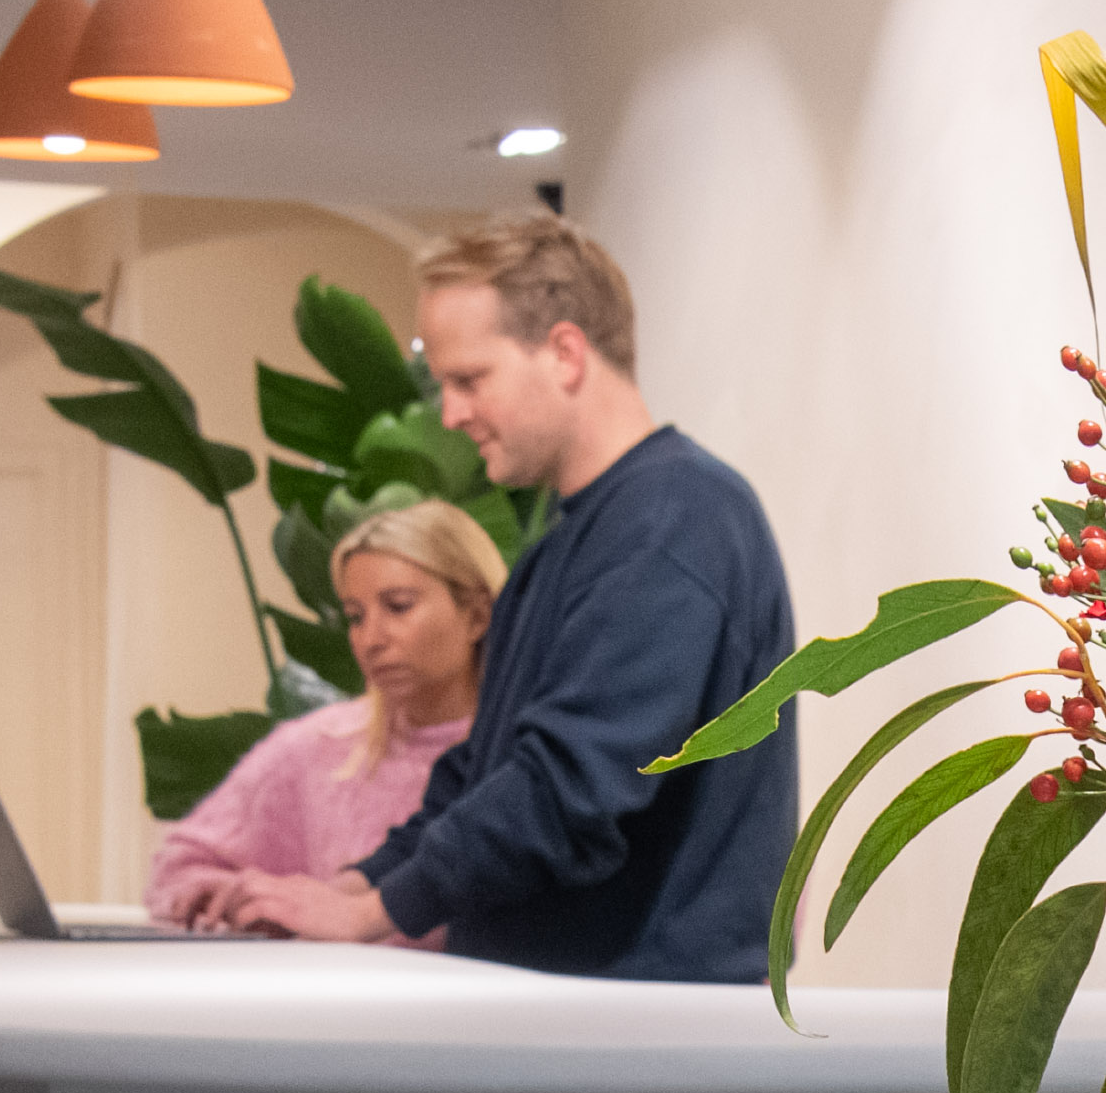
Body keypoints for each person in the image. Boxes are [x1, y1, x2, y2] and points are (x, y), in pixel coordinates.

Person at [166, 217, 794, 979]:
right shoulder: (565, 547)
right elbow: (482, 778)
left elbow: (571, 794)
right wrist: (353, 886)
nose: (451, 414)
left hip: (636, 1017)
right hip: (561, 1009)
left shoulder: (676, 519)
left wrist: (373, 914)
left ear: (565, 354)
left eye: (469, 381)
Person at [139, 502, 499, 916]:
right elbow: (182, 866)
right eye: (355, 617)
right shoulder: (315, 746)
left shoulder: (527, 754)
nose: (371, 639)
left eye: (398, 606)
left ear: (477, 615)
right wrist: (235, 899)